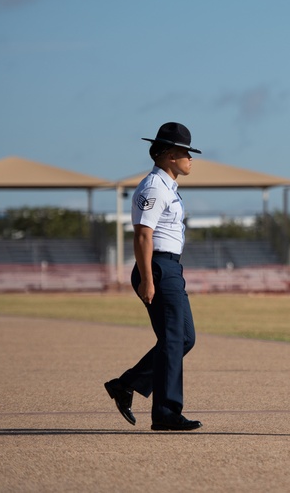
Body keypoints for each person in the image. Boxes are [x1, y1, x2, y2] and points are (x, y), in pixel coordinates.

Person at [104, 122, 202, 431]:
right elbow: (143, 235)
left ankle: (127, 384)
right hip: (158, 267)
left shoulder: (168, 187)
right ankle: (166, 412)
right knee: (174, 339)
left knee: (184, 338)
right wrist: (148, 278)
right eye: (186, 153)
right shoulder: (153, 187)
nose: (190, 159)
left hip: (170, 266)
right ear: (171, 155)